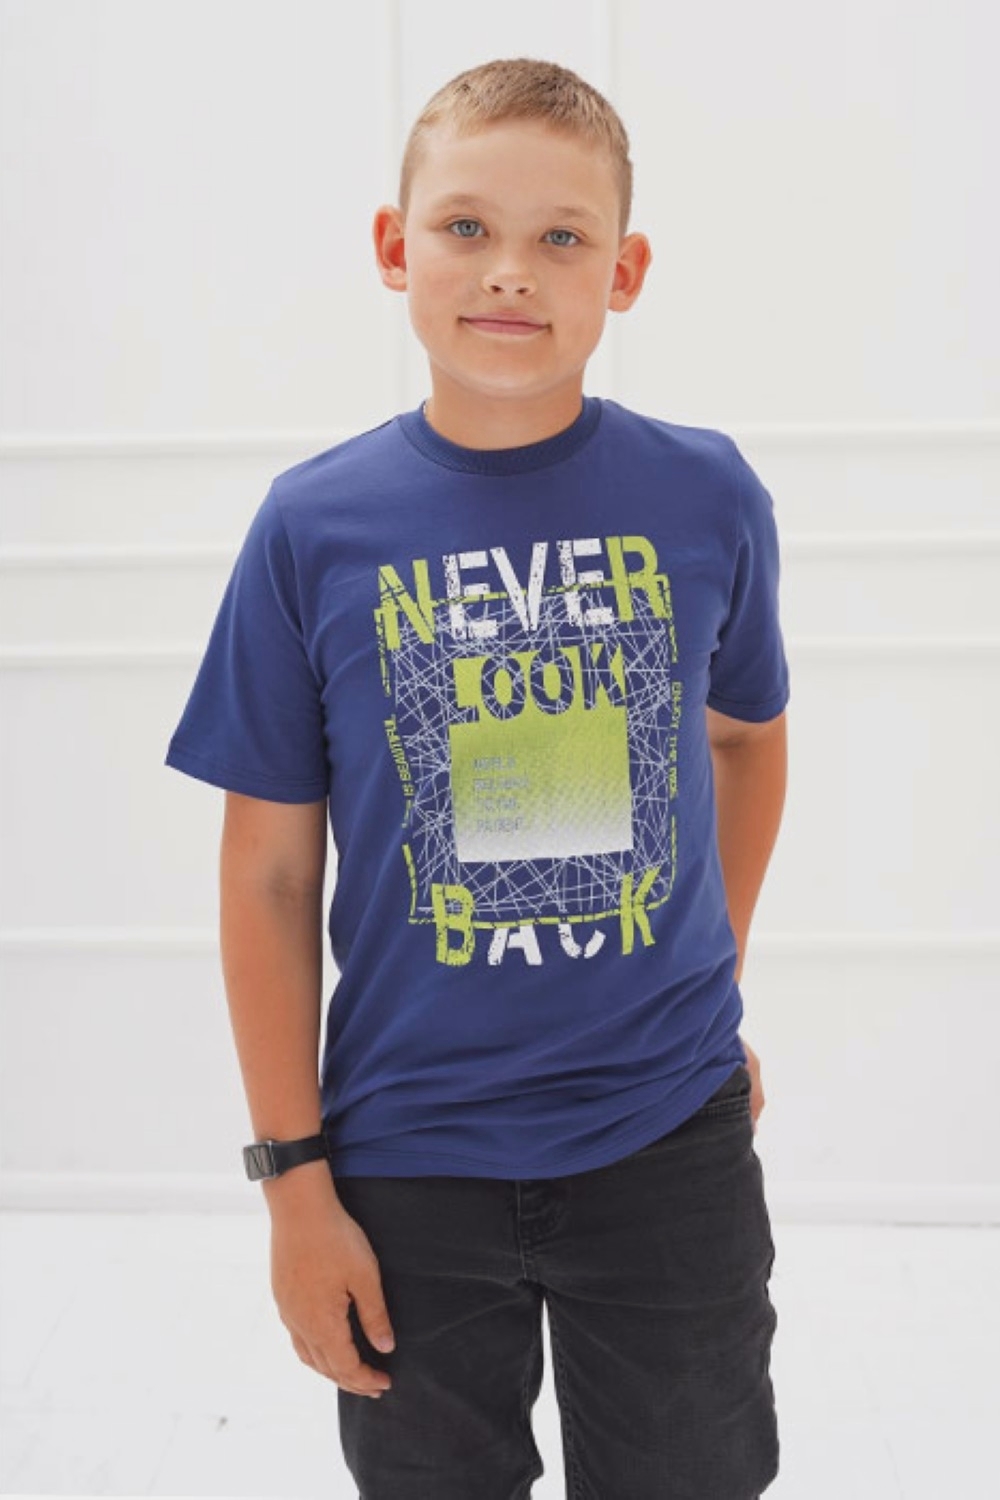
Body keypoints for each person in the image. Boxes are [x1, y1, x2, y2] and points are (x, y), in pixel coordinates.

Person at [165, 55, 789, 1500]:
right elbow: (270, 871)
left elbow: (745, 738)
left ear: (624, 271)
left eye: (562, 235)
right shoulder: (311, 528)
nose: (511, 269)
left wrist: (716, 974)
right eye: (466, 227)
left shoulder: (707, 496)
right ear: (397, 247)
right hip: (407, 1153)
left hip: (669, 1134)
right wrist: (293, 1183)